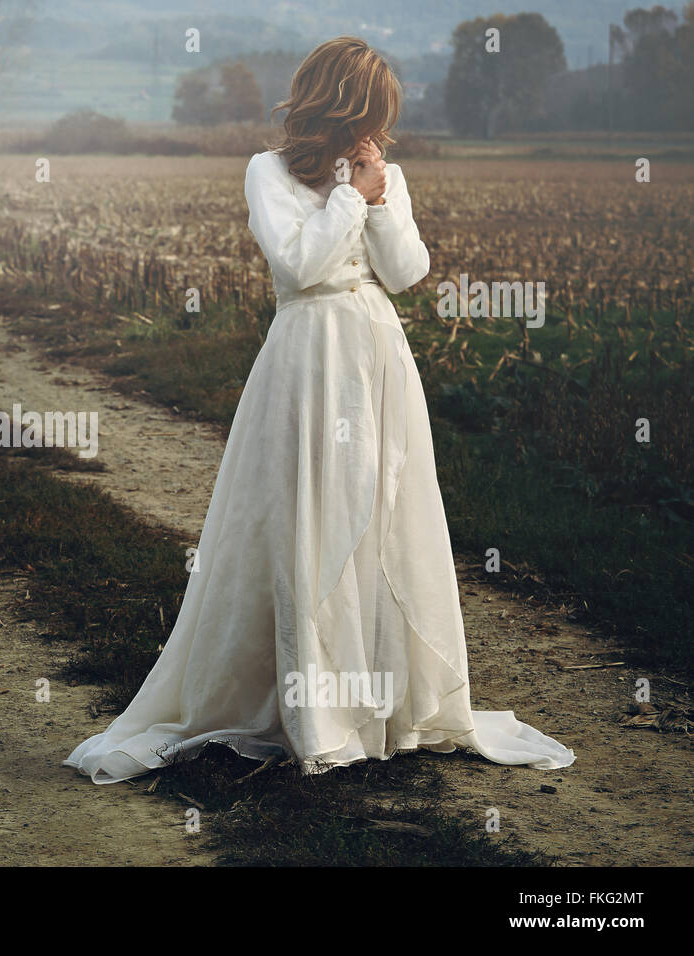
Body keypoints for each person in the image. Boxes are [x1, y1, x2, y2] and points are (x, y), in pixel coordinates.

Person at [65, 36, 575, 784]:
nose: (376, 131)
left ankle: (384, 702)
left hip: (377, 358)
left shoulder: (383, 175)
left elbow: (406, 273)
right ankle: (309, 703)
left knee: (383, 515)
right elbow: (299, 265)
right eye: (368, 113)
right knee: (308, 517)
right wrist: (350, 199)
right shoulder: (267, 172)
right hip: (310, 359)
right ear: (338, 107)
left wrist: (378, 196)